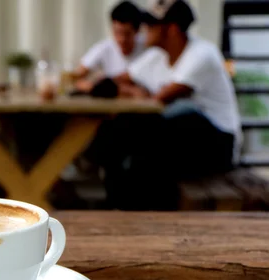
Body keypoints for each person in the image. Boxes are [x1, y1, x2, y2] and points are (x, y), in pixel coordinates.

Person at [91, 0, 242, 210]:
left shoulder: (202, 54)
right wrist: (130, 90)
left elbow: (162, 99)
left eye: (151, 25)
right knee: (123, 133)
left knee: (159, 127)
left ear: (171, 29)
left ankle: (131, 210)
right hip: (178, 140)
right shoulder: (156, 56)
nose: (144, 30)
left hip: (217, 144)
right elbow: (116, 81)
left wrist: (133, 92)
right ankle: (121, 208)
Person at [74, 1, 145, 93]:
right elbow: (77, 76)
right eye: (117, 33)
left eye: (127, 34)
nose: (122, 39)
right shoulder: (104, 47)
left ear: (137, 31)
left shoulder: (148, 48)